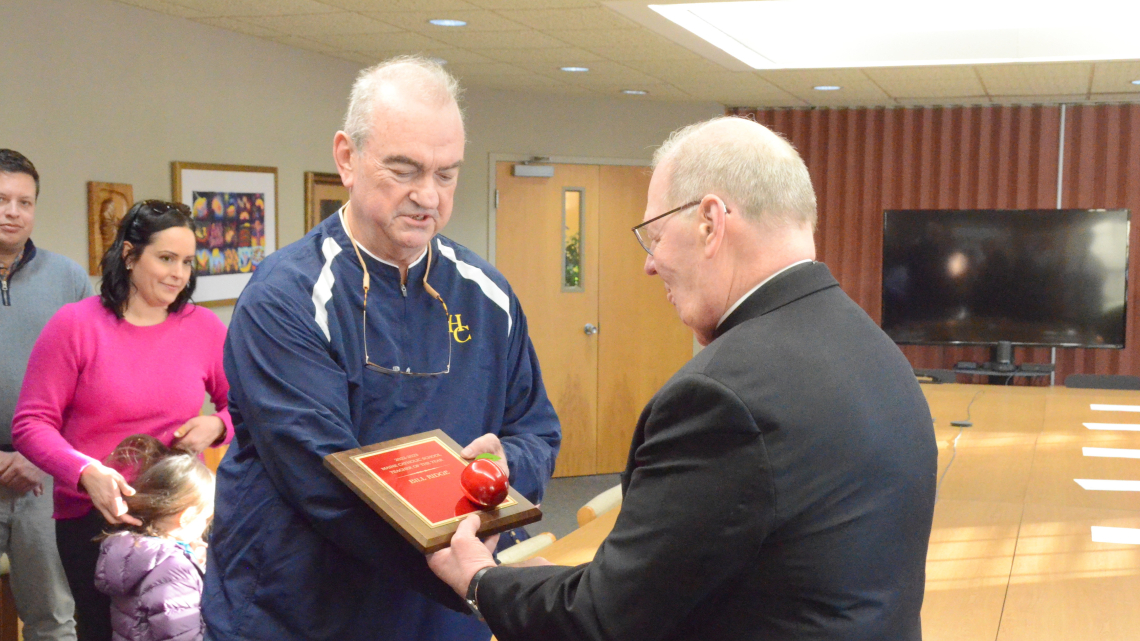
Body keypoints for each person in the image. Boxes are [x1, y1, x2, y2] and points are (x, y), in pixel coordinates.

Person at [428, 116, 939, 641]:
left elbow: (603, 622)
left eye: (654, 236)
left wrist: (479, 581)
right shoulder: (874, 348)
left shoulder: (720, 398)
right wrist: (551, 585)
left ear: (710, 222)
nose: (651, 265)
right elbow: (690, 580)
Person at [203, 55, 560, 641]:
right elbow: (328, 486)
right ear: (347, 158)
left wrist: (500, 472)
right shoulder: (284, 298)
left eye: (446, 174)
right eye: (404, 169)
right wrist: (480, 583)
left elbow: (536, 430)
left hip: (446, 618)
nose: (427, 195)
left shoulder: (488, 295)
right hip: (300, 614)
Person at [13, 200, 232, 641]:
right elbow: (31, 424)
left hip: (180, 518)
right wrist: (84, 471)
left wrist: (218, 426)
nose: (178, 274)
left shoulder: (205, 328)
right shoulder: (76, 324)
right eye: (165, 258)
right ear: (130, 256)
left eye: (187, 262)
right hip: (93, 521)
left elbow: (245, 408)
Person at [0, 149, 89, 641]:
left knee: (53, 619)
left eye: (24, 201)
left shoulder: (68, 279)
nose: (13, 212)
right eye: (2, 199)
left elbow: (91, 384)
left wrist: (41, 458)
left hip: (43, 480)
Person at [94, 435, 213, 641]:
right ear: (186, 517)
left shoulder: (132, 554)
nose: (205, 526)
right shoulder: (175, 569)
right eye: (205, 518)